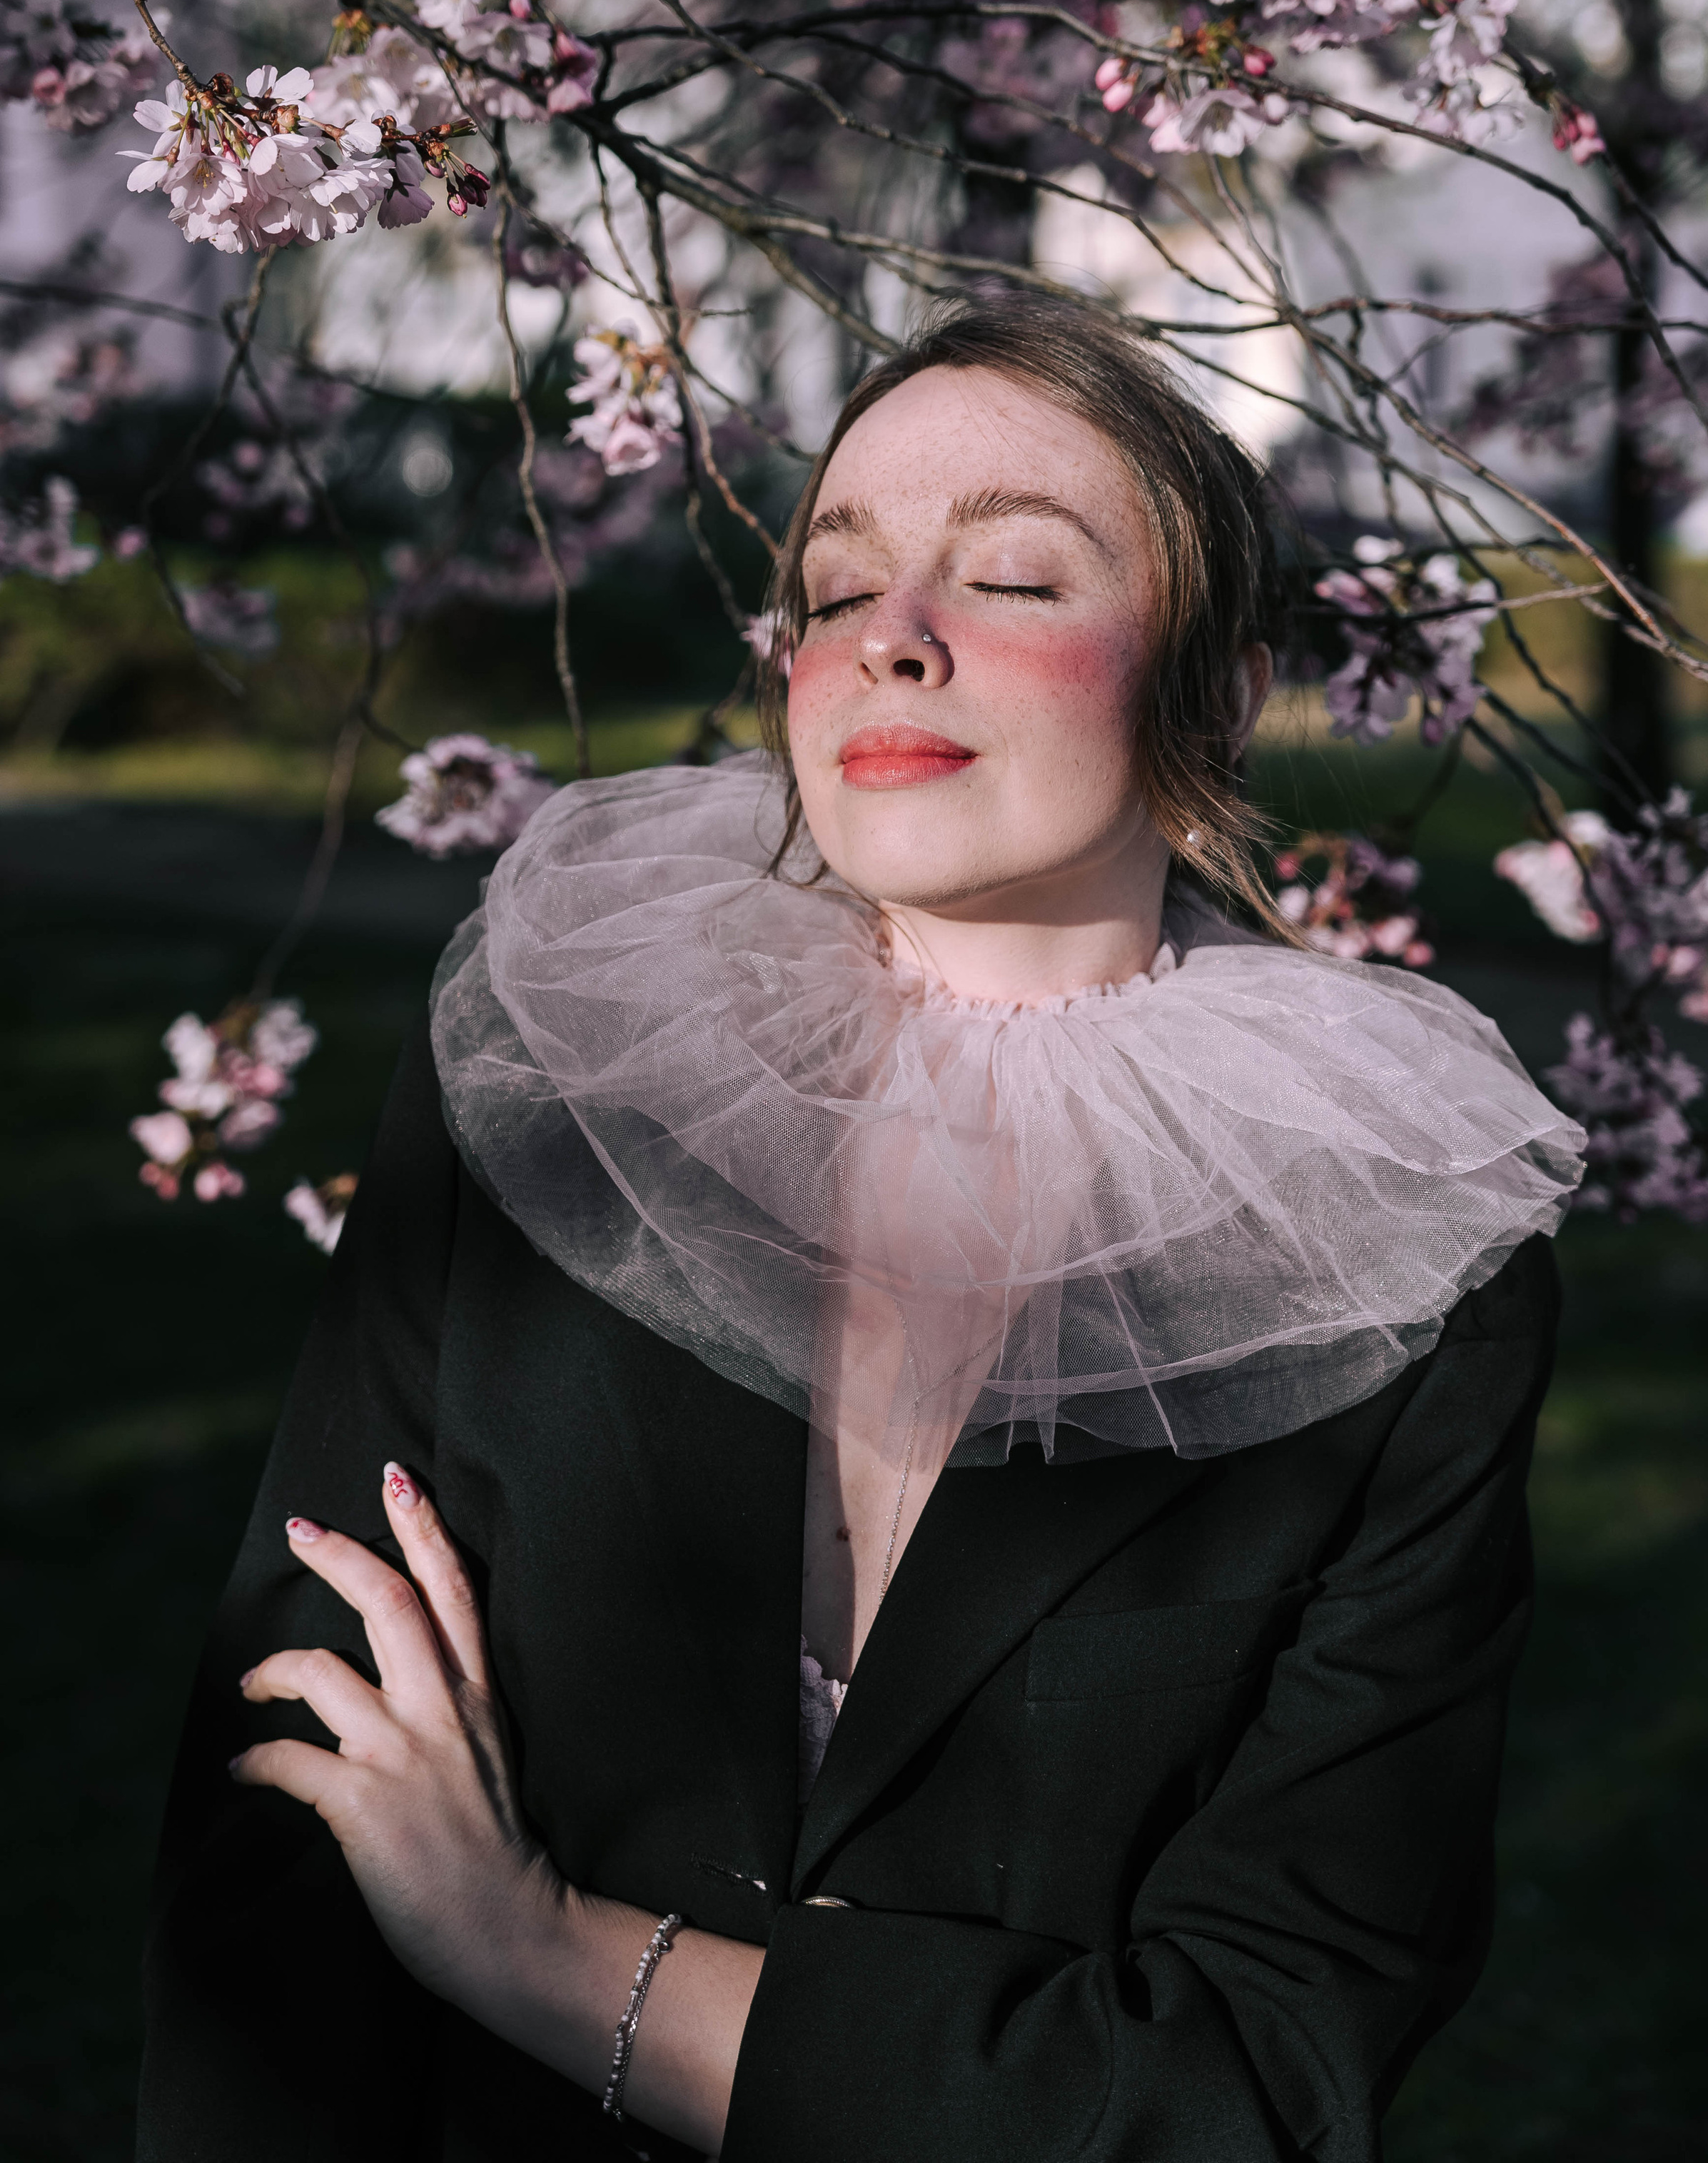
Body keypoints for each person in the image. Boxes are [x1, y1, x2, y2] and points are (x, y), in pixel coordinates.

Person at [137, 293, 1582, 2162]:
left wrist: (539, 1952)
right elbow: (284, 1812)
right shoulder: (561, 1079)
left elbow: (1252, 2079)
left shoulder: (1398, 1264)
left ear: (1219, 691)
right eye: (836, 588)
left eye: (1016, 578)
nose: (892, 635)